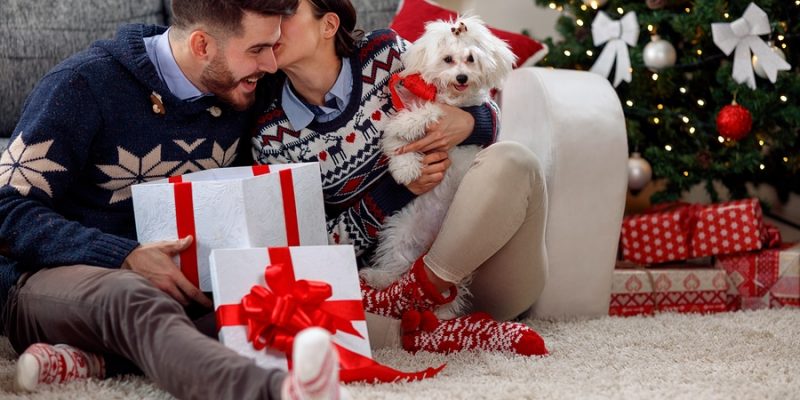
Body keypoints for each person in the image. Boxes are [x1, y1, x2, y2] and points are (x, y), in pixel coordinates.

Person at [0, 0, 347, 398]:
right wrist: (123, 255)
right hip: (47, 283)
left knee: (276, 301)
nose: (271, 64)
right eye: (256, 50)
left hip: (185, 289)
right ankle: (277, 392)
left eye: (273, 45)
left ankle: (96, 361)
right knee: (134, 297)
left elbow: (341, 80)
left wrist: (431, 123)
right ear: (201, 45)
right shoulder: (83, 85)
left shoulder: (245, 86)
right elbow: (5, 208)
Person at [252, 0, 549, 355]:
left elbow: (476, 100)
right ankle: (440, 329)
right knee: (303, 312)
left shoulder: (387, 54)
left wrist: (469, 123)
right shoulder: (272, 135)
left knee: (513, 160)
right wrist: (396, 192)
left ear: (328, 25)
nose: (271, 23)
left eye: (286, 12)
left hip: (486, 270)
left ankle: (425, 297)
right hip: (387, 285)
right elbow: (309, 249)